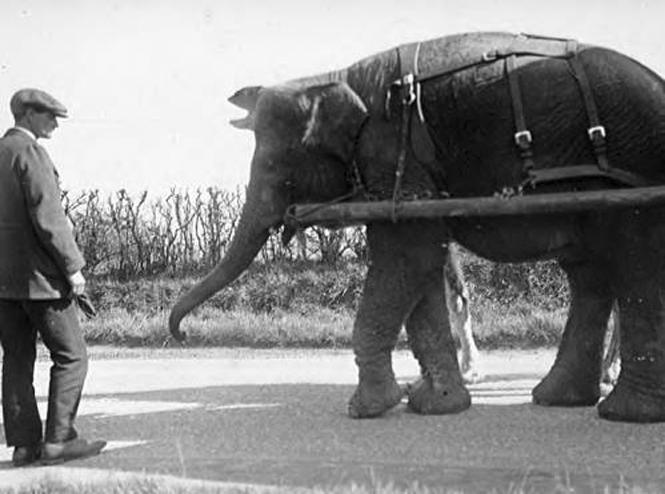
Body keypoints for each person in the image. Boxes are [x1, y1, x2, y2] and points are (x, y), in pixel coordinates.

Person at [0, 88, 106, 466]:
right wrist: (73, 269)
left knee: (15, 359)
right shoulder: (31, 154)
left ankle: (24, 446)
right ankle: (60, 440)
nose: (56, 123)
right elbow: (50, 220)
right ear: (27, 114)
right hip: (42, 281)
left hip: (4, 285)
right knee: (72, 357)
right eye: (49, 115)